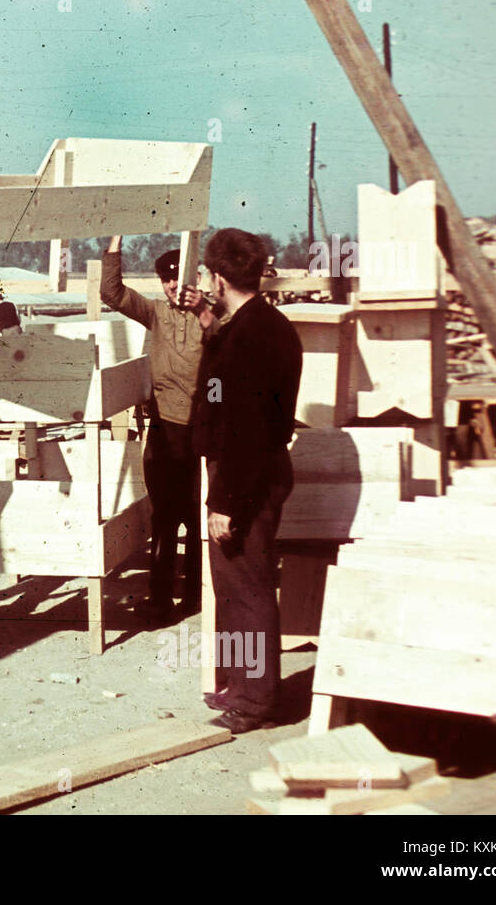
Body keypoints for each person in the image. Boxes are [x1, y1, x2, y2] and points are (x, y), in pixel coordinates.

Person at [190, 228, 303, 734]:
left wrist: (224, 502)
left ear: (217, 277)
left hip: (245, 477)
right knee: (233, 589)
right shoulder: (261, 324)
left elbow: (243, 427)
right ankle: (240, 685)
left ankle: (257, 700)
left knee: (249, 589)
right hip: (252, 469)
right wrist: (207, 322)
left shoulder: (249, 336)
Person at [100, 236, 220, 619]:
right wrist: (115, 246)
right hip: (164, 429)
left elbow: (226, 339)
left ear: (193, 279)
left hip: (200, 431)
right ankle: (161, 598)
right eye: (166, 279)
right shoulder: (154, 313)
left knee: (197, 515)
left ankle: (195, 596)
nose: (173, 286)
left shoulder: (209, 314)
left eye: (178, 278)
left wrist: (203, 309)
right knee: (164, 516)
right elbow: (112, 293)